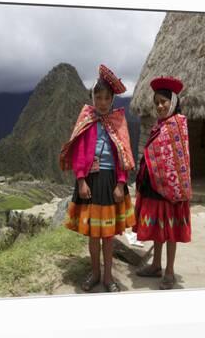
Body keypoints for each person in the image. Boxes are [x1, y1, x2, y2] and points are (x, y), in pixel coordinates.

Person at [60, 65, 135, 293]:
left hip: (111, 180)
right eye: (98, 97)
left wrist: (121, 183)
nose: (102, 102)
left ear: (112, 99)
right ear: (92, 97)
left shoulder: (118, 122)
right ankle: (95, 273)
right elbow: (80, 151)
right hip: (91, 182)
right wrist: (81, 180)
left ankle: (108, 277)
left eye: (106, 98)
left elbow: (124, 154)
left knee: (108, 235)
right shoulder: (87, 119)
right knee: (94, 233)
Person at [133, 76, 192, 290]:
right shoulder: (160, 125)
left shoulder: (178, 124)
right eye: (156, 102)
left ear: (173, 101)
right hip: (154, 186)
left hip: (171, 190)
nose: (159, 105)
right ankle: (156, 265)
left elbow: (178, 158)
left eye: (163, 101)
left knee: (170, 230)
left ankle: (169, 271)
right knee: (158, 228)